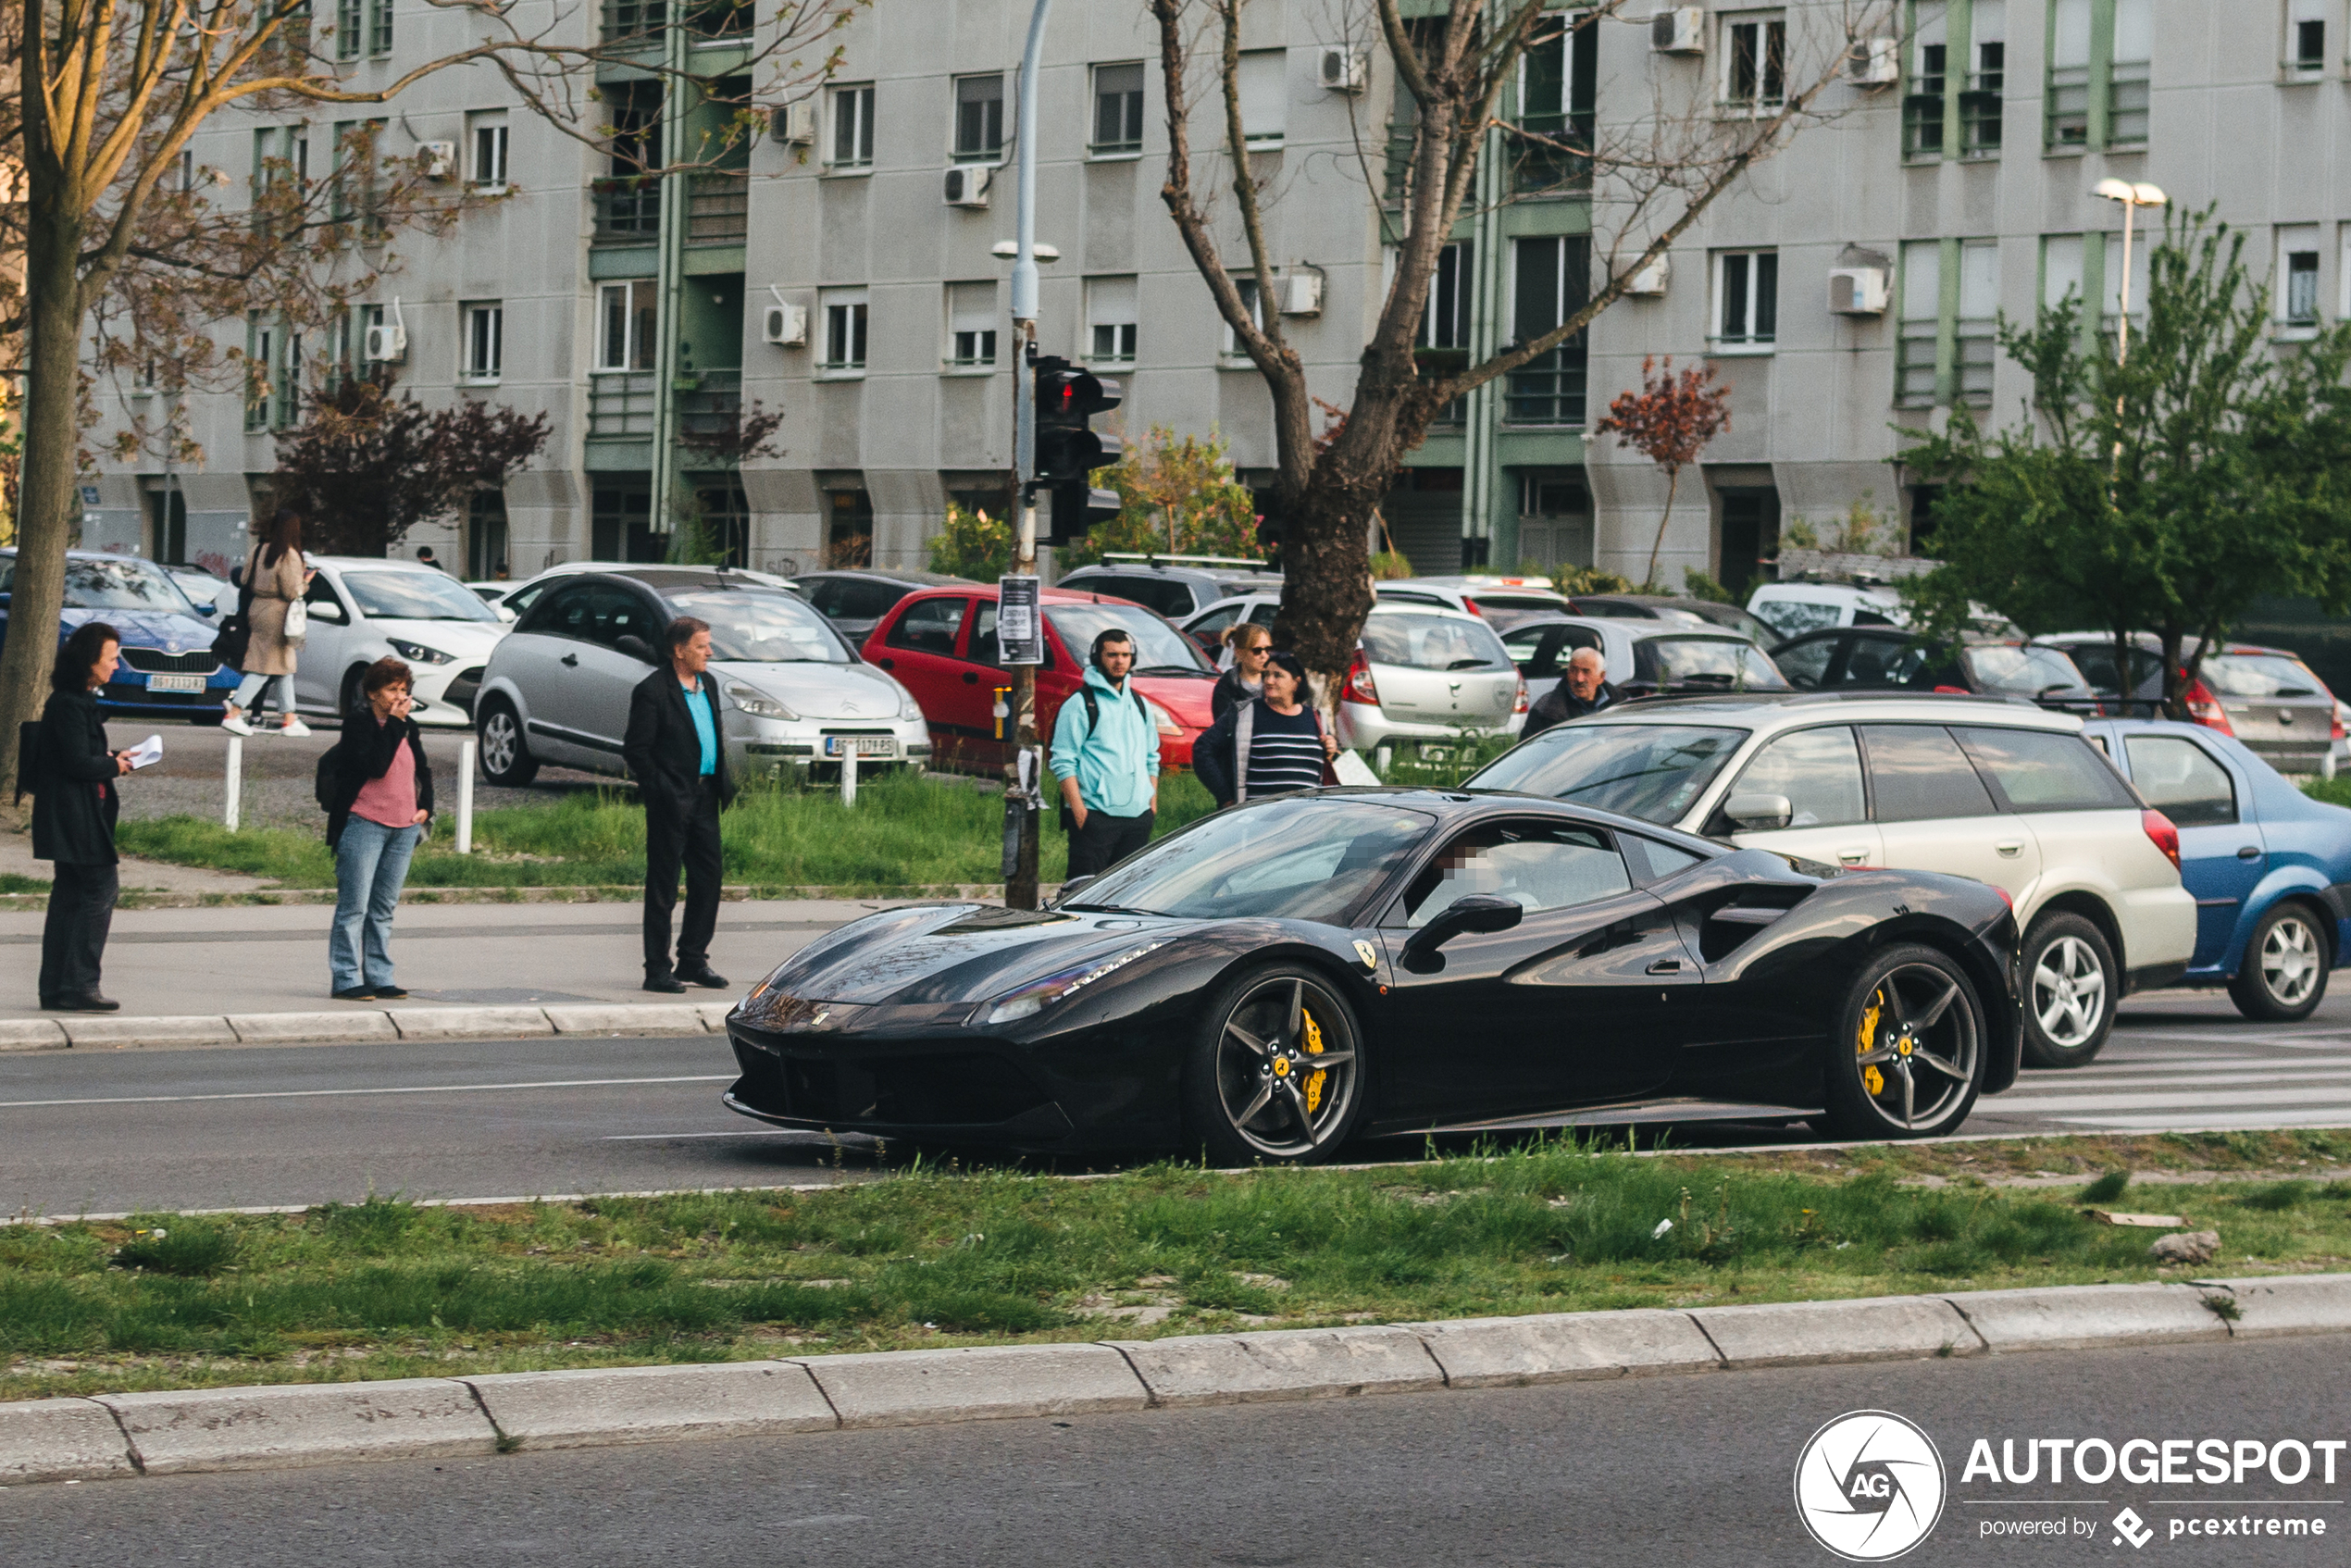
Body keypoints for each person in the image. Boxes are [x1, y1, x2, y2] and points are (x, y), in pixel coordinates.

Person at [625, 616, 737, 993]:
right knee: (664, 884)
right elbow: (636, 750)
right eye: (702, 645)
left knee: (708, 880)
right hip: (671, 798)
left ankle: (693, 959)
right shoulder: (653, 691)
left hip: (706, 794)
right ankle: (657, 969)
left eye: (709, 644)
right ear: (679, 651)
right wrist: (661, 789)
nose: (710, 652)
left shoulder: (709, 685)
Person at [32, 621, 135, 1012]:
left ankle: (56, 986)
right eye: (111, 658)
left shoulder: (71, 700)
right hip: (76, 814)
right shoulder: (71, 703)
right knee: (100, 889)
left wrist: (111, 759)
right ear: (89, 661)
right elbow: (76, 762)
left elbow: (74, 755)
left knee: (70, 895)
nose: (116, 664)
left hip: (70, 811)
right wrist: (115, 767)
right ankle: (79, 983)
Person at [319, 657, 436, 1001]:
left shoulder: (409, 726)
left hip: (404, 827)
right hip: (364, 823)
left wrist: (425, 805)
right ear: (372, 693)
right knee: (354, 907)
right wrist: (395, 724)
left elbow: (423, 769)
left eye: (404, 689)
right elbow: (376, 766)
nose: (399, 696)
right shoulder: (359, 723)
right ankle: (345, 978)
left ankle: (380, 975)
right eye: (391, 689)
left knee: (383, 908)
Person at [1051, 628, 1160, 879]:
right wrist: (1080, 812)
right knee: (1085, 895)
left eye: (1125, 654)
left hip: (1137, 818)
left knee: (1128, 896)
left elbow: (1152, 757)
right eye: (1112, 654)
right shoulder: (1080, 704)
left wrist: (1151, 804)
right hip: (1095, 816)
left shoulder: (1140, 704)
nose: (1119, 661)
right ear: (1097, 657)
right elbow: (1063, 761)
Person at [1194, 651, 1339, 809]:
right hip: (1260, 821)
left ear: (1296, 683)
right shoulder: (1245, 714)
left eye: (1278, 675)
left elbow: (1331, 769)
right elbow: (1203, 748)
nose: (1269, 681)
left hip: (1304, 821)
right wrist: (1225, 798)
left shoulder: (1317, 718)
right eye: (1266, 674)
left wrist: (1331, 751)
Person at [222, 506, 314, 737]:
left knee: (282, 665)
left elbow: (244, 578)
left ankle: (289, 718)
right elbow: (292, 591)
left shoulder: (258, 549)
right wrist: (306, 581)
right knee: (264, 667)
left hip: (258, 607)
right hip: (278, 612)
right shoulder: (290, 554)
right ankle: (234, 712)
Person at [1524, 646, 1622, 738]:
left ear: (1601, 677)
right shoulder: (1546, 709)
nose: (1579, 679)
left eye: (1586, 672)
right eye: (1573, 670)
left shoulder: (1621, 703)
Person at [1212, 622, 1273, 720]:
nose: (1264, 655)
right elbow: (1224, 728)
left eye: (1268, 649)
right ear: (1239, 652)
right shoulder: (1226, 688)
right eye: (1257, 651)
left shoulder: (1277, 681)